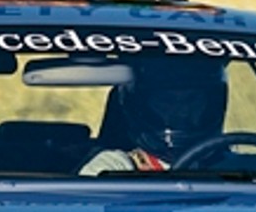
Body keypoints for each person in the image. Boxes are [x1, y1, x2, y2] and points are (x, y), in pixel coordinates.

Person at [79, 55, 228, 174]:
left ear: (210, 104)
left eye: (192, 99)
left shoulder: (236, 168)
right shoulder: (112, 167)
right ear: (142, 106)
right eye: (166, 101)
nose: (181, 112)